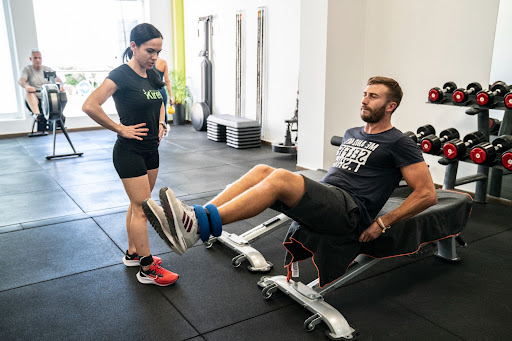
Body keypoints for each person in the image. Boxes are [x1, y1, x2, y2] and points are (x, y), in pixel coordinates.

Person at [143, 76, 438, 286]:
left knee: (282, 176)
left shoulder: (400, 142)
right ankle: (193, 222)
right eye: (364, 94)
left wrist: (383, 223)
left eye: (373, 96)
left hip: (351, 211)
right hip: (329, 196)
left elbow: (426, 194)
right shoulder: (352, 132)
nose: (364, 99)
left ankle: (197, 225)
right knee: (261, 170)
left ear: (391, 106)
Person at [82, 23, 178, 286]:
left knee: (138, 204)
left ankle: (133, 254)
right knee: (142, 207)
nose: (155, 57)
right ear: (133, 46)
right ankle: (147, 269)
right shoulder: (120, 75)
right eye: (150, 51)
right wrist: (119, 128)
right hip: (129, 151)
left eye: (158, 51)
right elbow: (90, 105)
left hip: (151, 149)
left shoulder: (152, 72)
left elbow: (160, 100)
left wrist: (161, 124)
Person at [19, 48, 65, 118]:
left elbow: (58, 80)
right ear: (31, 59)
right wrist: (27, 86)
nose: (38, 60)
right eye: (35, 58)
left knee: (62, 95)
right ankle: (37, 115)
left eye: (39, 58)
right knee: (29, 94)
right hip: (36, 97)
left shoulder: (47, 69)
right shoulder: (27, 69)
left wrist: (61, 86)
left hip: (48, 97)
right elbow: (21, 81)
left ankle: (60, 114)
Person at [154, 57, 173, 124]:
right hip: (162, 91)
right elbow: (167, 81)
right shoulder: (163, 62)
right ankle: (163, 131)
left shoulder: (146, 62)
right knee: (162, 113)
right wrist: (171, 96)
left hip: (152, 91)